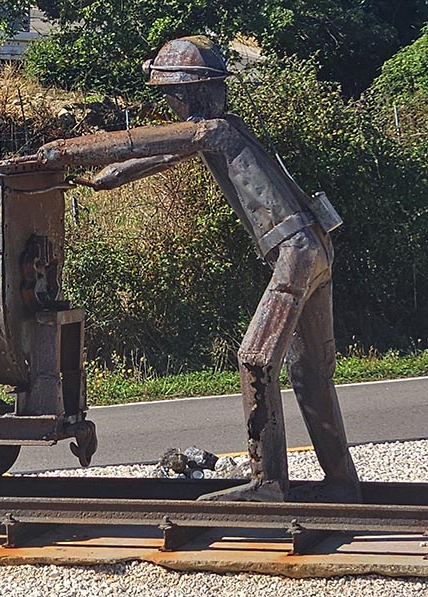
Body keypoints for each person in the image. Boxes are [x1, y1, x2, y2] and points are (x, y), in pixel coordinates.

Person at [24, 36, 361, 503]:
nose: (169, 104)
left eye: (171, 96)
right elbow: (157, 155)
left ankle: (267, 483)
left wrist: (63, 151)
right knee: (310, 370)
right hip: (313, 247)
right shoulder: (221, 130)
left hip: (294, 252)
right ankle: (342, 480)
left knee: (256, 359)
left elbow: (138, 140)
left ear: (188, 94)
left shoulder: (214, 131)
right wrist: (102, 179)